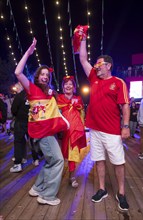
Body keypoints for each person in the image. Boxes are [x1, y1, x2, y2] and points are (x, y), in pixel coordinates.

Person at [77, 26, 130, 211]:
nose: (97, 67)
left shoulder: (118, 82)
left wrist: (125, 126)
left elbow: (125, 106)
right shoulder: (94, 78)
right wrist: (82, 37)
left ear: (108, 66)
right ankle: (102, 189)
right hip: (95, 129)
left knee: (118, 162)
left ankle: (121, 193)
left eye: (99, 64)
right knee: (99, 160)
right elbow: (82, 58)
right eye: (96, 65)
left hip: (112, 131)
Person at [13, 38, 69, 206]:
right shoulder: (32, 89)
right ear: (37, 76)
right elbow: (17, 73)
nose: (45, 77)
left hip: (48, 132)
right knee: (58, 160)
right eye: (42, 74)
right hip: (42, 134)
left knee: (51, 161)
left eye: (47, 75)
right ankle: (47, 196)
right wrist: (28, 53)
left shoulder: (48, 93)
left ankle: (37, 188)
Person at [57, 76, 87, 187]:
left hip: (74, 131)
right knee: (59, 155)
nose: (68, 86)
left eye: (71, 84)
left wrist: (81, 127)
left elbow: (82, 114)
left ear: (74, 87)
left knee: (72, 154)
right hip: (61, 131)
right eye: (66, 84)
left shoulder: (78, 99)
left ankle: (72, 177)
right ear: (63, 87)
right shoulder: (58, 99)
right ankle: (55, 177)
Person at [10, 82, 40, 173]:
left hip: (20, 122)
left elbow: (13, 110)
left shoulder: (19, 96)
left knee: (19, 142)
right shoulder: (33, 95)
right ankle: (36, 159)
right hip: (31, 122)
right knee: (32, 141)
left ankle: (18, 163)